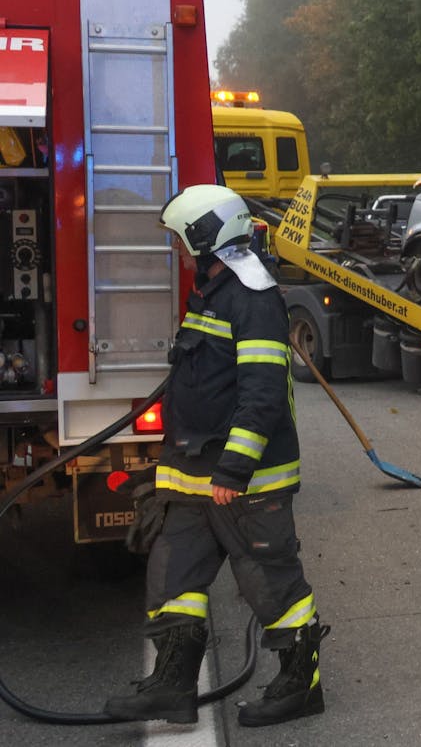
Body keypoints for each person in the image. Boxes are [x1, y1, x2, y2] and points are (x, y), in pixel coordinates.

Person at [104, 184, 327, 728]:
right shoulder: (210, 289)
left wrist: (234, 467)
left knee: (270, 585)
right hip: (192, 474)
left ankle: (301, 686)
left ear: (206, 238)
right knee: (172, 576)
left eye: (182, 240)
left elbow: (264, 393)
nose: (179, 251)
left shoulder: (252, 297)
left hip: (245, 482)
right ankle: (172, 686)